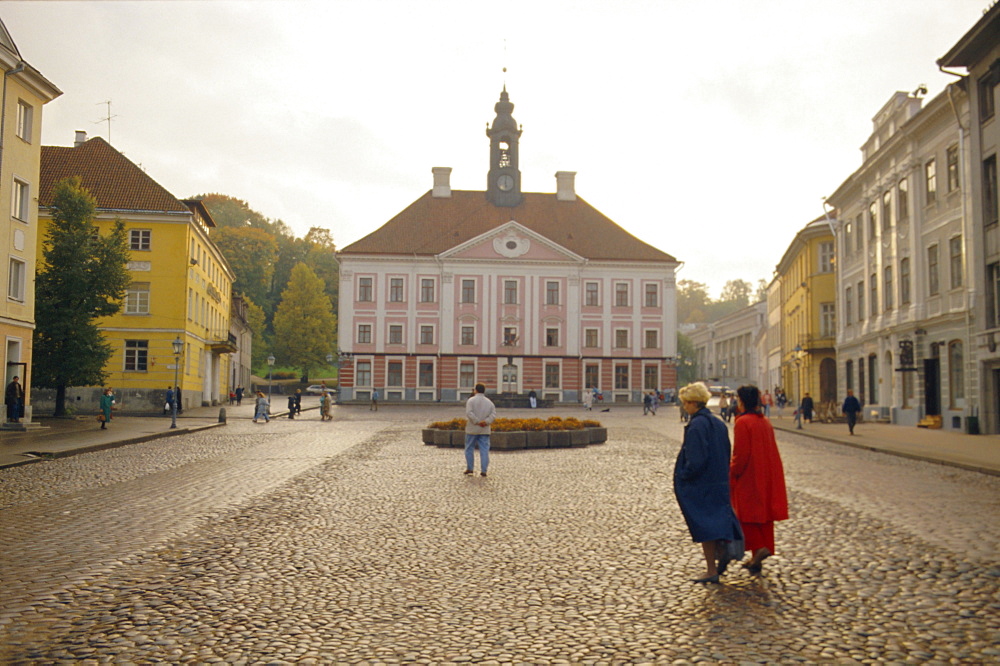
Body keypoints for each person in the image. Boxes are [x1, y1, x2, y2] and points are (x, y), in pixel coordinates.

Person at [674, 381, 743, 584]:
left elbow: (696, 458)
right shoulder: (718, 423)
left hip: (702, 483)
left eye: (685, 403)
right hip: (719, 480)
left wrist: (684, 474)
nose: (684, 406)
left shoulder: (696, 425)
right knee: (717, 521)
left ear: (693, 403)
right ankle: (720, 556)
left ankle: (711, 568)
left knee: (705, 526)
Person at [730, 385, 788, 575]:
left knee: (746, 514)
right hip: (766, 473)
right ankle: (757, 556)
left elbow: (741, 454)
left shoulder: (743, 422)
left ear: (742, 401)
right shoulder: (765, 422)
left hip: (750, 475)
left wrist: (732, 471)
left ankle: (760, 547)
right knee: (763, 515)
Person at [464, 383, 496, 477]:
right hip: (484, 429)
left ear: (476, 390)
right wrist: (485, 422)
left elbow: (469, 413)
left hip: (472, 429)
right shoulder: (489, 402)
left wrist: (477, 421)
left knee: (469, 448)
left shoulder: (471, 401)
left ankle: (470, 468)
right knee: (484, 450)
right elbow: (493, 415)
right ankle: (484, 470)